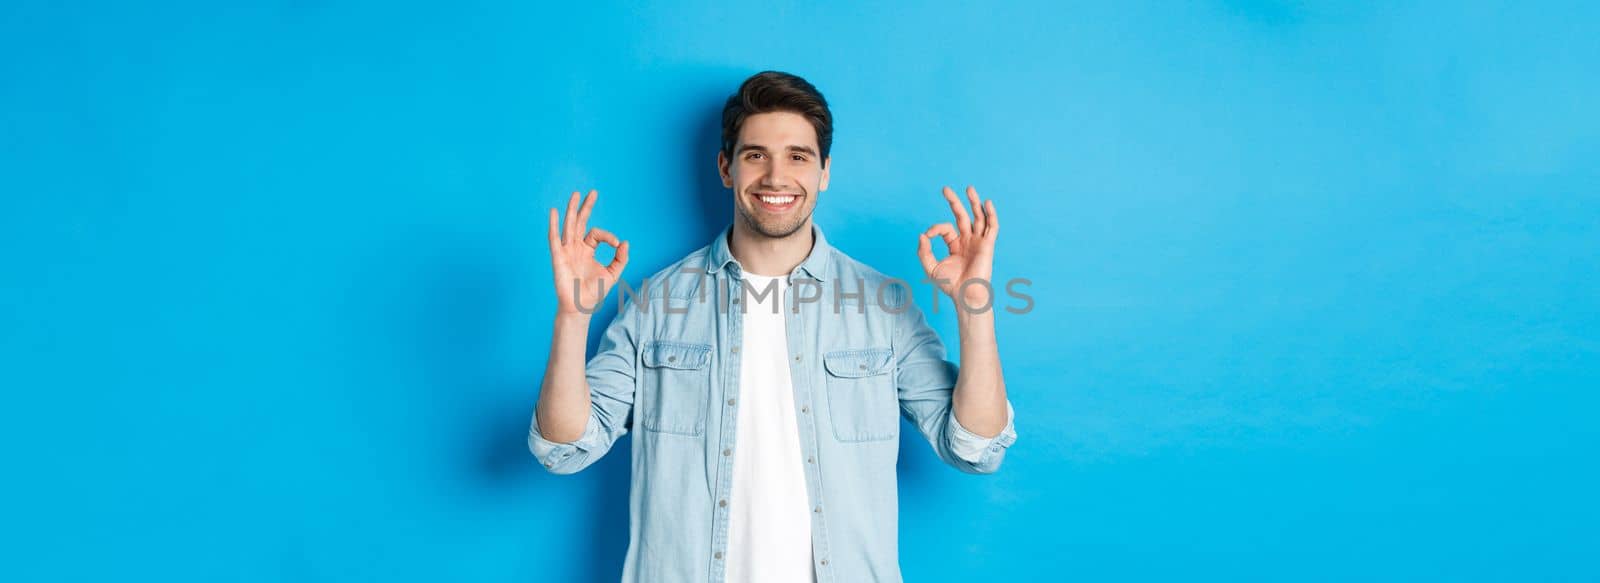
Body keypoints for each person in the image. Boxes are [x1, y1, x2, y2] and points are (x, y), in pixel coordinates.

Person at [529, 70, 1017, 583]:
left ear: (824, 171)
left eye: (798, 157)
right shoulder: (656, 304)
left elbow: (975, 446)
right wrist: (572, 316)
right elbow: (564, 448)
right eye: (756, 154)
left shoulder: (883, 307)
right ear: (726, 168)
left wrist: (973, 307)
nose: (776, 177)